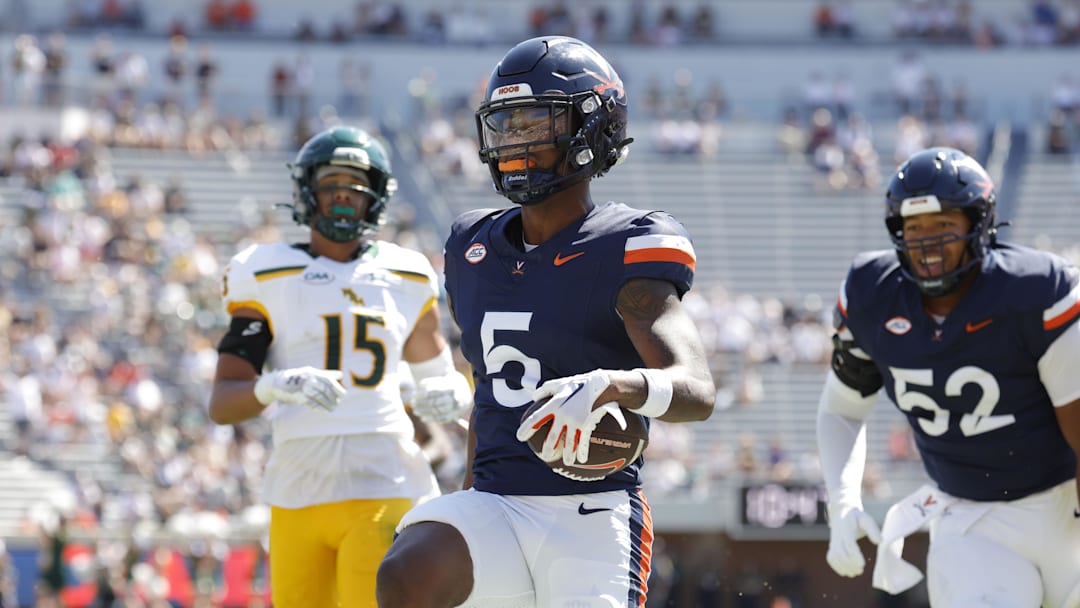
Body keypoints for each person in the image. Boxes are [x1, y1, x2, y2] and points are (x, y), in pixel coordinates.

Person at [376, 36, 716, 607]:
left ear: (592, 129)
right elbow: (490, 386)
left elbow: (696, 390)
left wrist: (616, 384)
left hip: (590, 509)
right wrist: (467, 497)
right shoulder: (471, 247)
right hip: (496, 502)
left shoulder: (625, 245)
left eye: (535, 124)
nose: (514, 143)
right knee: (410, 568)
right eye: (505, 126)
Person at [209, 125, 472, 608]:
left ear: (377, 197)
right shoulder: (265, 273)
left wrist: (456, 394)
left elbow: (437, 384)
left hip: (385, 477)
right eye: (332, 186)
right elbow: (224, 401)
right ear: (307, 192)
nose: (344, 199)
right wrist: (274, 386)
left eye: (356, 188)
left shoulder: (406, 273)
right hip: (296, 489)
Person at [816, 146, 1080, 607]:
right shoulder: (871, 294)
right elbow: (842, 410)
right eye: (915, 227)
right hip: (969, 519)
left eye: (943, 225)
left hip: (1065, 506)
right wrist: (842, 504)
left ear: (979, 224)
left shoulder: (1037, 290)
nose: (928, 242)